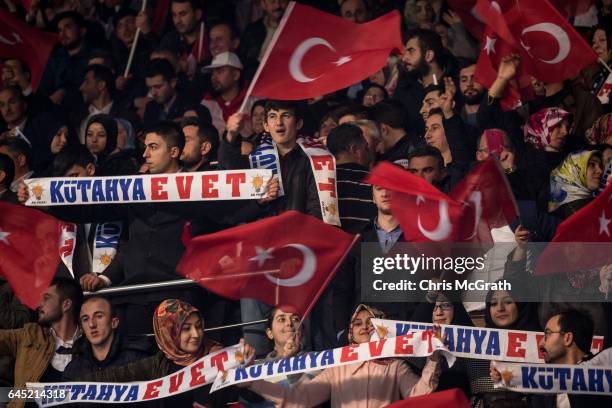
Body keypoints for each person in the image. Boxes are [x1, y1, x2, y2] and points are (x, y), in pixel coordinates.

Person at [245, 304, 443, 408]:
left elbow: (421, 397)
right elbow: (298, 400)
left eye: (371, 321)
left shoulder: (395, 366)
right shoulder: (337, 367)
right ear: (350, 332)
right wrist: (251, 382)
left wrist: (433, 359)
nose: (365, 327)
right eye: (357, 323)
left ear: (383, 328)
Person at [79, 299, 248, 407]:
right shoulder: (158, 364)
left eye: (199, 326)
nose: (196, 334)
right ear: (168, 333)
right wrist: (68, 390)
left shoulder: (218, 357)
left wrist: (242, 364)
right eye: (186, 329)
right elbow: (111, 378)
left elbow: (247, 397)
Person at [491, 309, 612, 407]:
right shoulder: (544, 393)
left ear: (567, 338)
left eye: (547, 334)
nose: (541, 344)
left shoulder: (603, 371)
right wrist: (504, 376)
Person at [0, 278, 83, 408]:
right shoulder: (31, 335)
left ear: (66, 304)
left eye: (46, 298)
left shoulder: (90, 344)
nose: (39, 304)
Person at [63, 297, 149, 380]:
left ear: (114, 323)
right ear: (82, 328)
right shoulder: (74, 369)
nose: (92, 324)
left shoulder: (138, 360)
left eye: (99, 316)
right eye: (85, 319)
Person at [326, 123, 376, 233]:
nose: (370, 152)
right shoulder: (377, 183)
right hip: (369, 248)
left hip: (333, 246)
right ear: (354, 150)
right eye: (366, 147)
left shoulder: (323, 183)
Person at [201, 52, 254, 135]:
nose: (213, 77)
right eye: (212, 73)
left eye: (219, 72)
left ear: (236, 75)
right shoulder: (207, 104)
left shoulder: (252, 102)